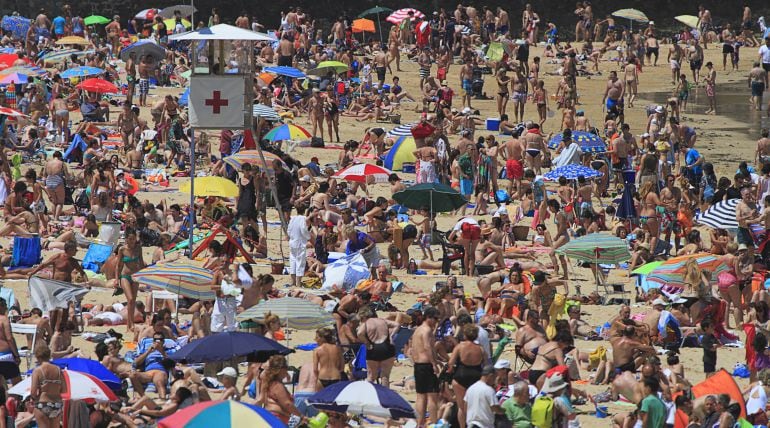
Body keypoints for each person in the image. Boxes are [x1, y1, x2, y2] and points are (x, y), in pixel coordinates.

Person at [412, 307, 441, 427]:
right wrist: (434, 364)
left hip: (418, 365)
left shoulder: (417, 330)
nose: (436, 321)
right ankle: (434, 424)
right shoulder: (427, 330)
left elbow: (414, 349)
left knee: (420, 396)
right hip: (427, 365)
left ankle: (420, 424)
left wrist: (437, 360)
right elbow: (428, 347)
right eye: (435, 319)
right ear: (428, 317)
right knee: (432, 397)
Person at [30, 343, 64, 428]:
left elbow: (33, 392)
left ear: (38, 356)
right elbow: (64, 390)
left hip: (43, 403)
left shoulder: (37, 371)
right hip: (57, 403)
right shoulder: (58, 370)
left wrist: (35, 398)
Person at [287, 206, 313, 287]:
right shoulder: (303, 218)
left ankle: (293, 281)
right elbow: (303, 230)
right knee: (300, 263)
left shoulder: (292, 218)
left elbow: (289, 230)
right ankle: (298, 283)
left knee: (293, 261)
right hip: (300, 243)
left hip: (292, 242)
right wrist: (308, 236)